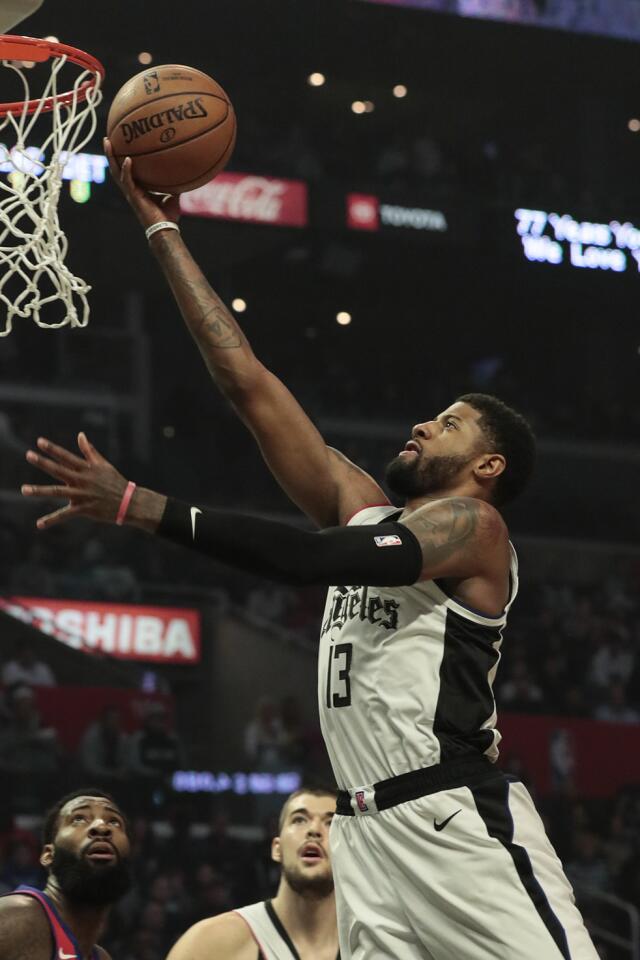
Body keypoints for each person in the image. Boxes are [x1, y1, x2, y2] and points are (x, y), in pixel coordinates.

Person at [20, 147, 599, 959]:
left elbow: (306, 560)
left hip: (452, 819)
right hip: (362, 838)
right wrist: (164, 233)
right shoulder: (364, 509)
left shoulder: (474, 529)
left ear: (488, 465)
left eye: (450, 423)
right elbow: (248, 384)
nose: (424, 426)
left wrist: (141, 506)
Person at [166, 787, 339, 960]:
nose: (314, 830)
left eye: (331, 823)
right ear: (276, 849)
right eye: (300, 820)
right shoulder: (210, 943)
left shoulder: (364, 943)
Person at [0, 788, 132, 960]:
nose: (101, 827)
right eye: (79, 819)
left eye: (114, 822)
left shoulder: (102, 957)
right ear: (48, 855)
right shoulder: (13, 917)